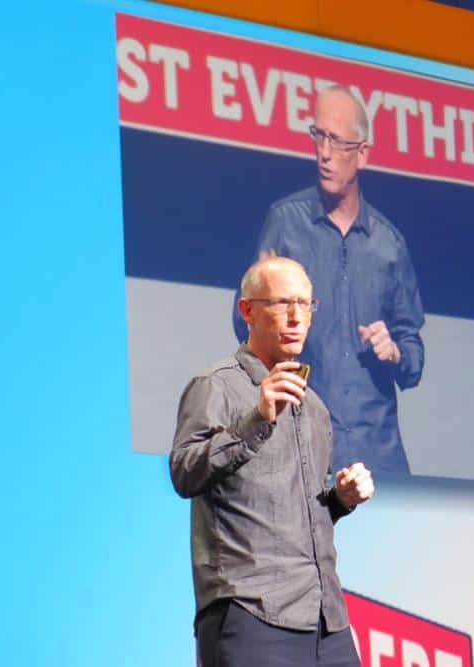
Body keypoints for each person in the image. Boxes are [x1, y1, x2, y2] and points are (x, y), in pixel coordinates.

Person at [171, 256, 374, 667]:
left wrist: (340, 498)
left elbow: (301, 514)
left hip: (325, 619)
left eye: (306, 304)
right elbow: (185, 472)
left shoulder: (313, 406)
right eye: (283, 303)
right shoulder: (216, 386)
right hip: (251, 612)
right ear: (247, 310)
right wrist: (256, 420)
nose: (297, 316)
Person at [238, 84, 426, 475]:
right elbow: (242, 322)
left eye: (338, 142)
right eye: (318, 136)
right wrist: (264, 304)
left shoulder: (389, 245)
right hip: (302, 445)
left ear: (362, 154)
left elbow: (414, 358)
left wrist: (394, 351)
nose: (324, 153)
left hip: (377, 452)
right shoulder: (285, 224)